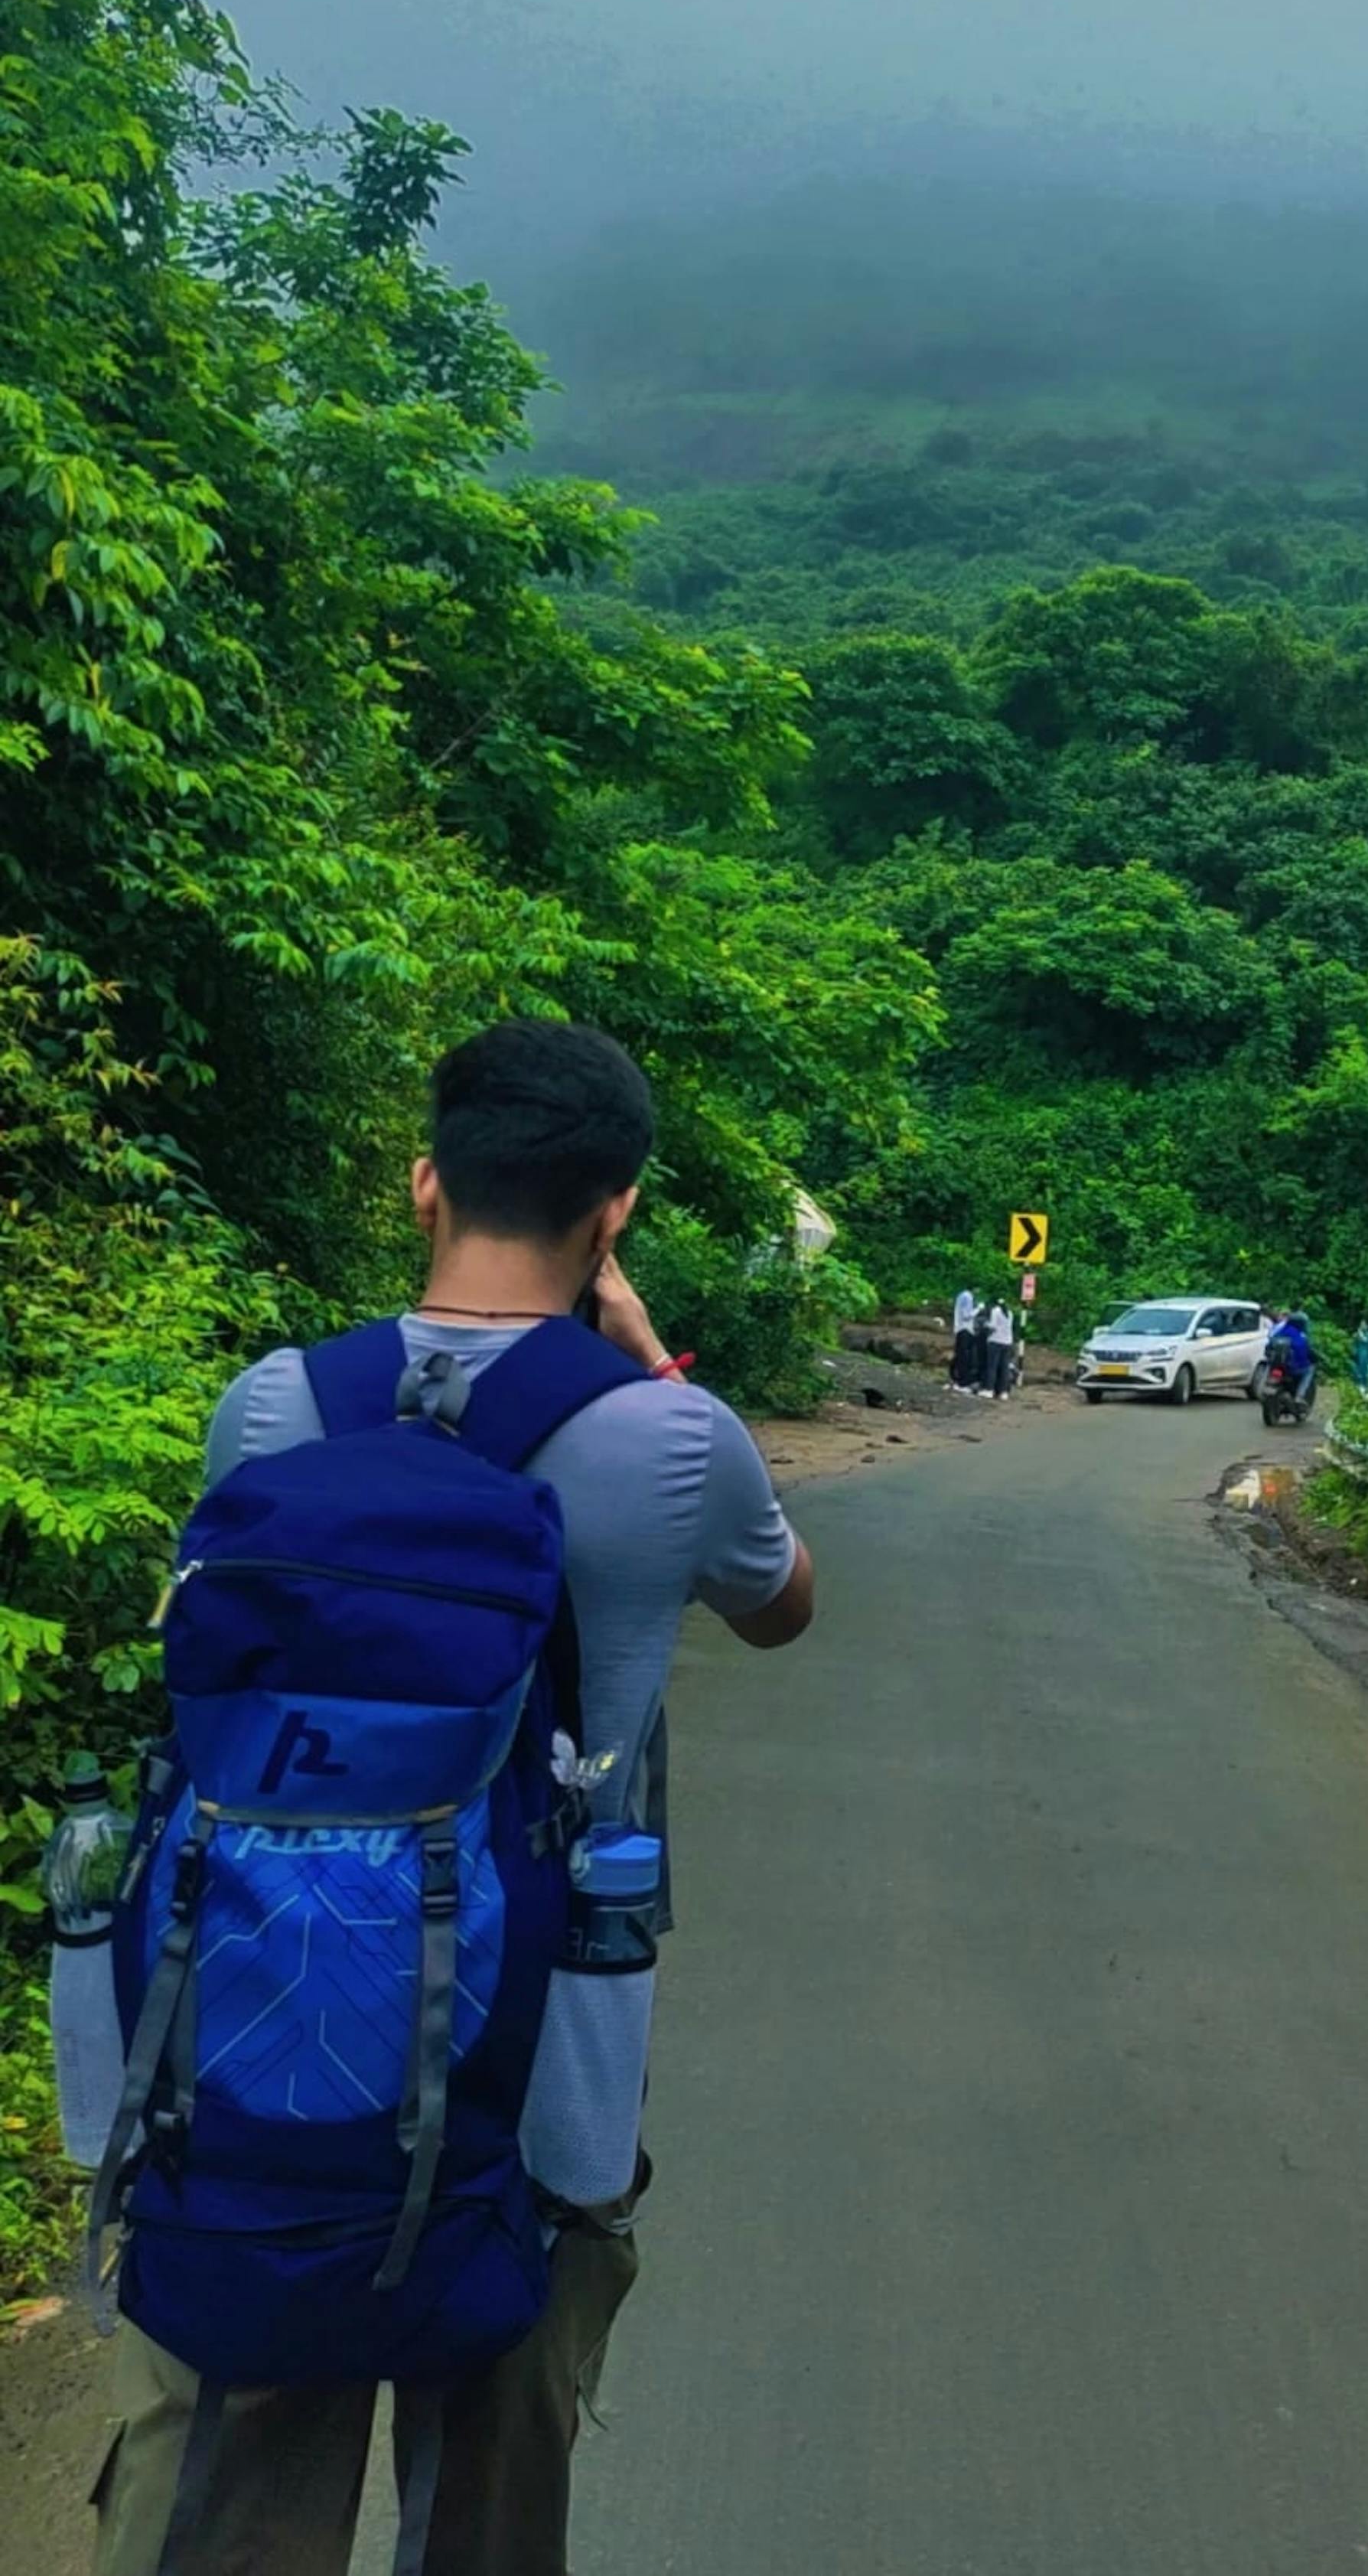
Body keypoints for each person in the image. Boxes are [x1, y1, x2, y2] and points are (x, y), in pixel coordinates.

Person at [90, 1019, 815, 2576]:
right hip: (545, 2059)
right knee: (491, 2475)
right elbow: (782, 1603)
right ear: (611, 1212)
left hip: (265, 2038)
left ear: (424, 1183)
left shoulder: (269, 1403)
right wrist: (654, 1359)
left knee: (236, 2455)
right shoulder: (675, 1438)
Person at [984, 1297, 1015, 1400]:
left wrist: (986, 1325)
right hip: (1007, 1342)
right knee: (1004, 1368)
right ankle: (1004, 1392)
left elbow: (993, 1326)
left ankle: (989, 1390)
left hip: (996, 1341)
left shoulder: (996, 1311)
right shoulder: (1010, 1313)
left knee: (992, 1367)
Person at [951, 1283, 979, 1391]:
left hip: (959, 1329)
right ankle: (963, 1383)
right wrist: (978, 1310)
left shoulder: (961, 1295)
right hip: (966, 1329)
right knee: (965, 1358)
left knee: (960, 1356)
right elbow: (967, 1315)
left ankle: (957, 1380)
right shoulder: (968, 1297)